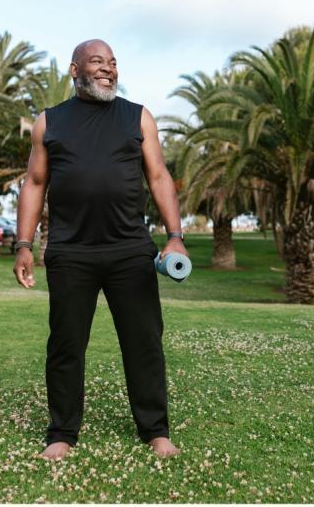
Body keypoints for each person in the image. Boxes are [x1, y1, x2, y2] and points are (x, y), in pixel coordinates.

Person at [13, 39, 187, 460]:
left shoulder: (137, 116)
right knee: (66, 345)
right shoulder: (49, 122)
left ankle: (156, 431)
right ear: (75, 70)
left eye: (112, 62)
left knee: (144, 342)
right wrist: (23, 244)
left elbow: (159, 176)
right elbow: (34, 183)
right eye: (97, 61)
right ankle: (61, 433)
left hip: (130, 250)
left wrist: (175, 235)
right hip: (71, 252)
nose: (108, 68)